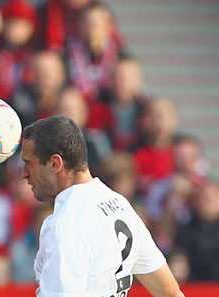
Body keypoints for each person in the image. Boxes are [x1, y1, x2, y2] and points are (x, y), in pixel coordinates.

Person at [20, 116, 184, 297]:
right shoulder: (119, 204)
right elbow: (170, 292)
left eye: (29, 163)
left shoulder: (66, 224)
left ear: (55, 163)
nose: (24, 174)